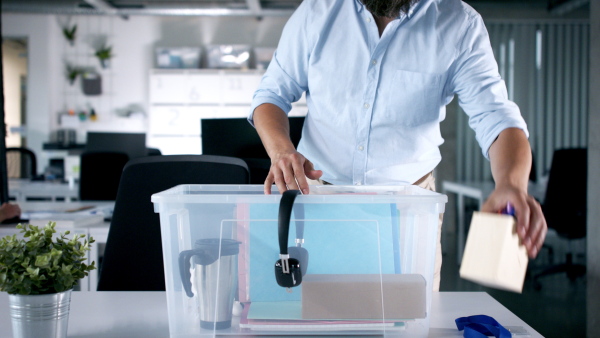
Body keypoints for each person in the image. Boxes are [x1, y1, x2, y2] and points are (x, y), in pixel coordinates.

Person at [248, 0, 547, 290]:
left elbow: (496, 118)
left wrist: (510, 183)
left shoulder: (459, 24)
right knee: (320, 315)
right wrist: (281, 151)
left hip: (409, 211)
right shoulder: (318, 10)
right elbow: (270, 95)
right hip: (322, 200)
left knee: (410, 322)